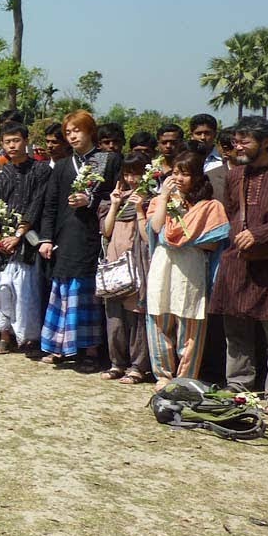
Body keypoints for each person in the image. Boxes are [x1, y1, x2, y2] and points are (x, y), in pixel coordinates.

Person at [208, 116, 268, 416]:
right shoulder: (235, 175)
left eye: (244, 141)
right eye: (236, 141)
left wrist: (260, 234)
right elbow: (232, 213)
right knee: (235, 329)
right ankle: (238, 384)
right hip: (236, 260)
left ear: (266, 143)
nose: (237, 146)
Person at [38, 110, 117, 371]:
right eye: (68, 132)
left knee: (86, 291)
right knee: (62, 289)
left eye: (77, 130)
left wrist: (91, 200)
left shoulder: (108, 160)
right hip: (66, 234)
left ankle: (91, 350)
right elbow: (50, 204)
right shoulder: (62, 165)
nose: (72, 136)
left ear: (90, 131)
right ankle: (60, 346)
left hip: (94, 233)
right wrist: (46, 238)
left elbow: (116, 195)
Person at [145, 150, 230, 391]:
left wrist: (186, 239)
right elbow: (157, 227)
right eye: (175, 173)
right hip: (163, 266)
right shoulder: (162, 201)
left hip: (191, 267)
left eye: (185, 174)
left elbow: (213, 242)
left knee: (190, 320)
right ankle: (163, 374)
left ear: (197, 177)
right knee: (159, 316)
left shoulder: (210, 206)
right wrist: (163, 197)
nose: (179, 178)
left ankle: (185, 376)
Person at [0, 123, 51, 355]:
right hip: (1, 242)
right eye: (7, 142)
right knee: (2, 289)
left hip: (27, 241)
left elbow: (37, 204)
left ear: (26, 141)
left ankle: (29, 339)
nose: (12, 146)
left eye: (16, 140)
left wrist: (17, 235)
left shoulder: (41, 170)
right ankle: (4, 335)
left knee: (25, 290)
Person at [98, 153, 152, 384]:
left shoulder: (151, 200)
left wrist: (139, 208)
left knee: (136, 317)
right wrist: (116, 204)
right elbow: (106, 231)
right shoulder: (113, 201)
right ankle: (116, 363)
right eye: (128, 173)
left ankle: (138, 366)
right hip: (114, 265)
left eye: (137, 173)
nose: (131, 178)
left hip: (138, 264)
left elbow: (148, 236)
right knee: (114, 318)